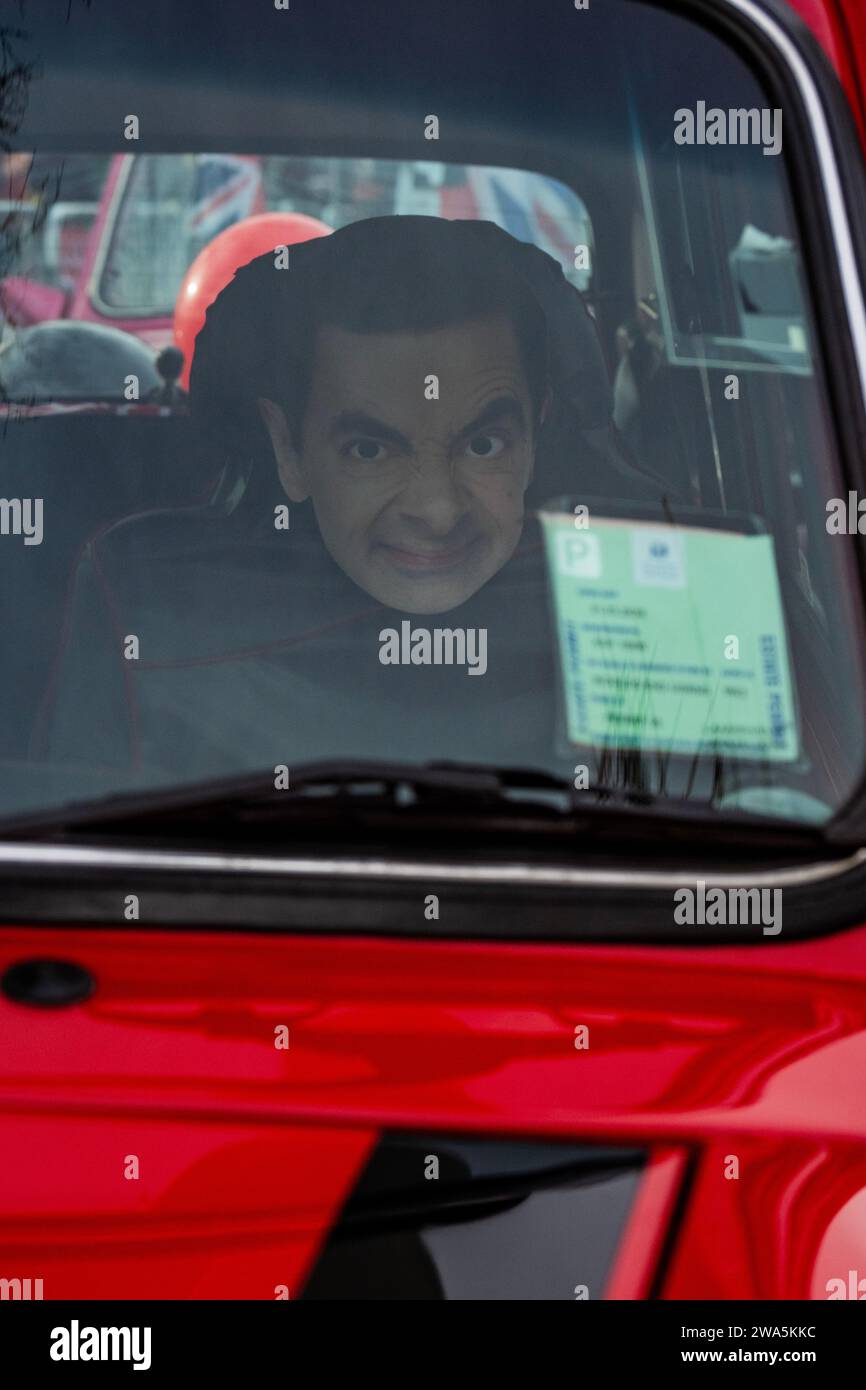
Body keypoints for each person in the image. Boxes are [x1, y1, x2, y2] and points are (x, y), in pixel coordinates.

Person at [41, 216, 658, 781]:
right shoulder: (151, 605)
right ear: (289, 450)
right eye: (370, 451)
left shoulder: (643, 599)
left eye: (484, 444)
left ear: (535, 432)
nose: (438, 511)